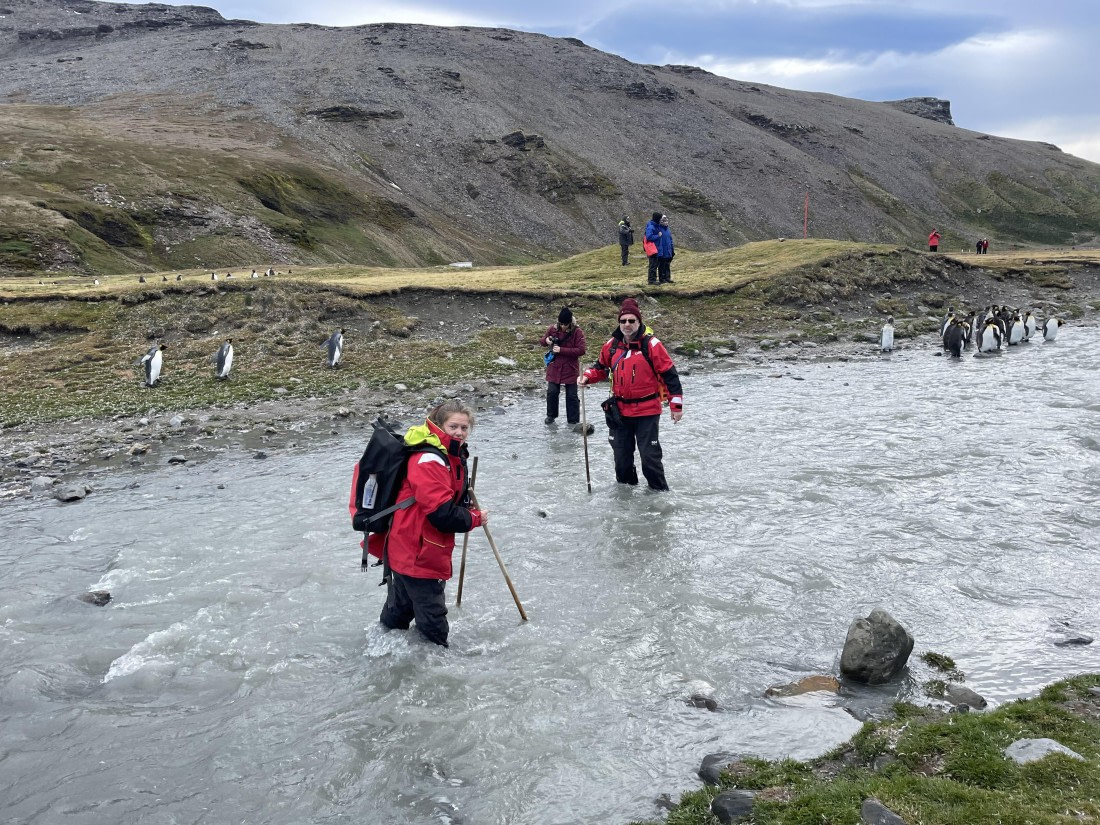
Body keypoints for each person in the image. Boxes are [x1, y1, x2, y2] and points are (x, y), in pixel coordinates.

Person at [369, 401, 486, 648]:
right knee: (433, 622)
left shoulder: (449, 453)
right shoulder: (429, 459)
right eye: (453, 426)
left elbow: (445, 499)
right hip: (418, 550)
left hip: (407, 546)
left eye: (464, 428)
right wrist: (474, 518)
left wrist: (464, 504)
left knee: (399, 610)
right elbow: (441, 514)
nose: (459, 432)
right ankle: (435, 668)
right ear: (438, 424)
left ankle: (379, 654)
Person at [578, 298, 683, 490]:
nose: (627, 324)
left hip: (647, 412)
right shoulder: (610, 345)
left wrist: (676, 407)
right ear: (619, 323)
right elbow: (600, 368)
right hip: (619, 412)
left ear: (639, 322)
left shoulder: (652, 345)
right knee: (621, 460)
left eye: (631, 320)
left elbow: (670, 375)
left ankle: (659, 498)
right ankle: (626, 502)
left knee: (650, 458)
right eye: (623, 321)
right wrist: (587, 376)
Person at [540, 307, 587, 426]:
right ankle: (551, 416)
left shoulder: (577, 332)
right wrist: (547, 340)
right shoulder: (552, 329)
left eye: (566, 324)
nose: (563, 326)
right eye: (561, 323)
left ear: (570, 322)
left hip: (571, 368)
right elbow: (542, 342)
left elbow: (581, 350)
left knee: (572, 396)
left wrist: (562, 350)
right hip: (554, 366)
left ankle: (573, 421)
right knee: (552, 392)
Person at [643, 211, 662, 284]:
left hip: (655, 248)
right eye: (660, 218)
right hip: (652, 248)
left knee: (654, 264)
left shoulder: (655, 225)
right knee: (653, 264)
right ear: (657, 219)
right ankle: (651, 280)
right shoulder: (651, 226)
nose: (660, 220)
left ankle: (653, 279)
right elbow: (649, 237)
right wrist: (658, 236)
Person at [656, 214, 675, 283]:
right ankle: (662, 279)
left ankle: (667, 278)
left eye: (666, 221)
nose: (666, 222)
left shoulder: (668, 230)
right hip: (662, 251)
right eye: (664, 221)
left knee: (667, 265)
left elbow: (670, 240)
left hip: (668, 250)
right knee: (661, 265)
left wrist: (672, 249)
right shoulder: (658, 229)